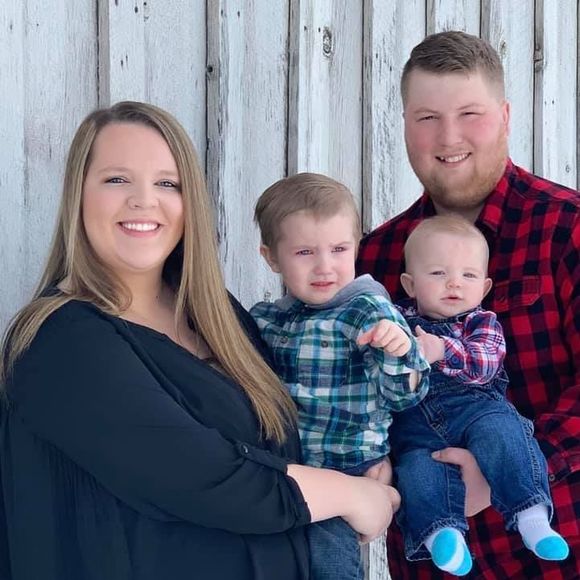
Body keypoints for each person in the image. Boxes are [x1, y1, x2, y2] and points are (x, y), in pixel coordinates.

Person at [0, 101, 401, 580]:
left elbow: (294, 423)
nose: (144, 201)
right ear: (78, 195)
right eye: (117, 179)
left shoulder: (215, 315)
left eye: (167, 183)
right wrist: (350, 495)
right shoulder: (61, 341)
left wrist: (365, 462)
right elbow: (202, 477)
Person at [356, 30, 580, 579]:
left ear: (505, 116)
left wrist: (510, 467)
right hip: (432, 565)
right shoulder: (375, 257)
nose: (448, 136)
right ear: (404, 124)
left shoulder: (566, 228)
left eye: (469, 114)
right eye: (427, 117)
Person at [250, 173, 429, 580]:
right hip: (289, 469)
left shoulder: (367, 311)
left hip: (347, 466)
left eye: (339, 249)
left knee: (328, 558)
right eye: (304, 252)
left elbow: (404, 397)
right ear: (272, 258)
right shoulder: (268, 320)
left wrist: (398, 351)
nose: (325, 266)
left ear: (356, 247)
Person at [388, 214, 569, 576]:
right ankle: (443, 536)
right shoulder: (395, 321)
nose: (454, 283)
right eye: (438, 273)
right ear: (410, 283)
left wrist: (441, 349)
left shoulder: (481, 323)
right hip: (416, 429)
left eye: (468, 275)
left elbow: (485, 364)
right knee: (416, 471)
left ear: (484, 287)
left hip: (477, 410)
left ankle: (532, 516)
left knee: (505, 434)